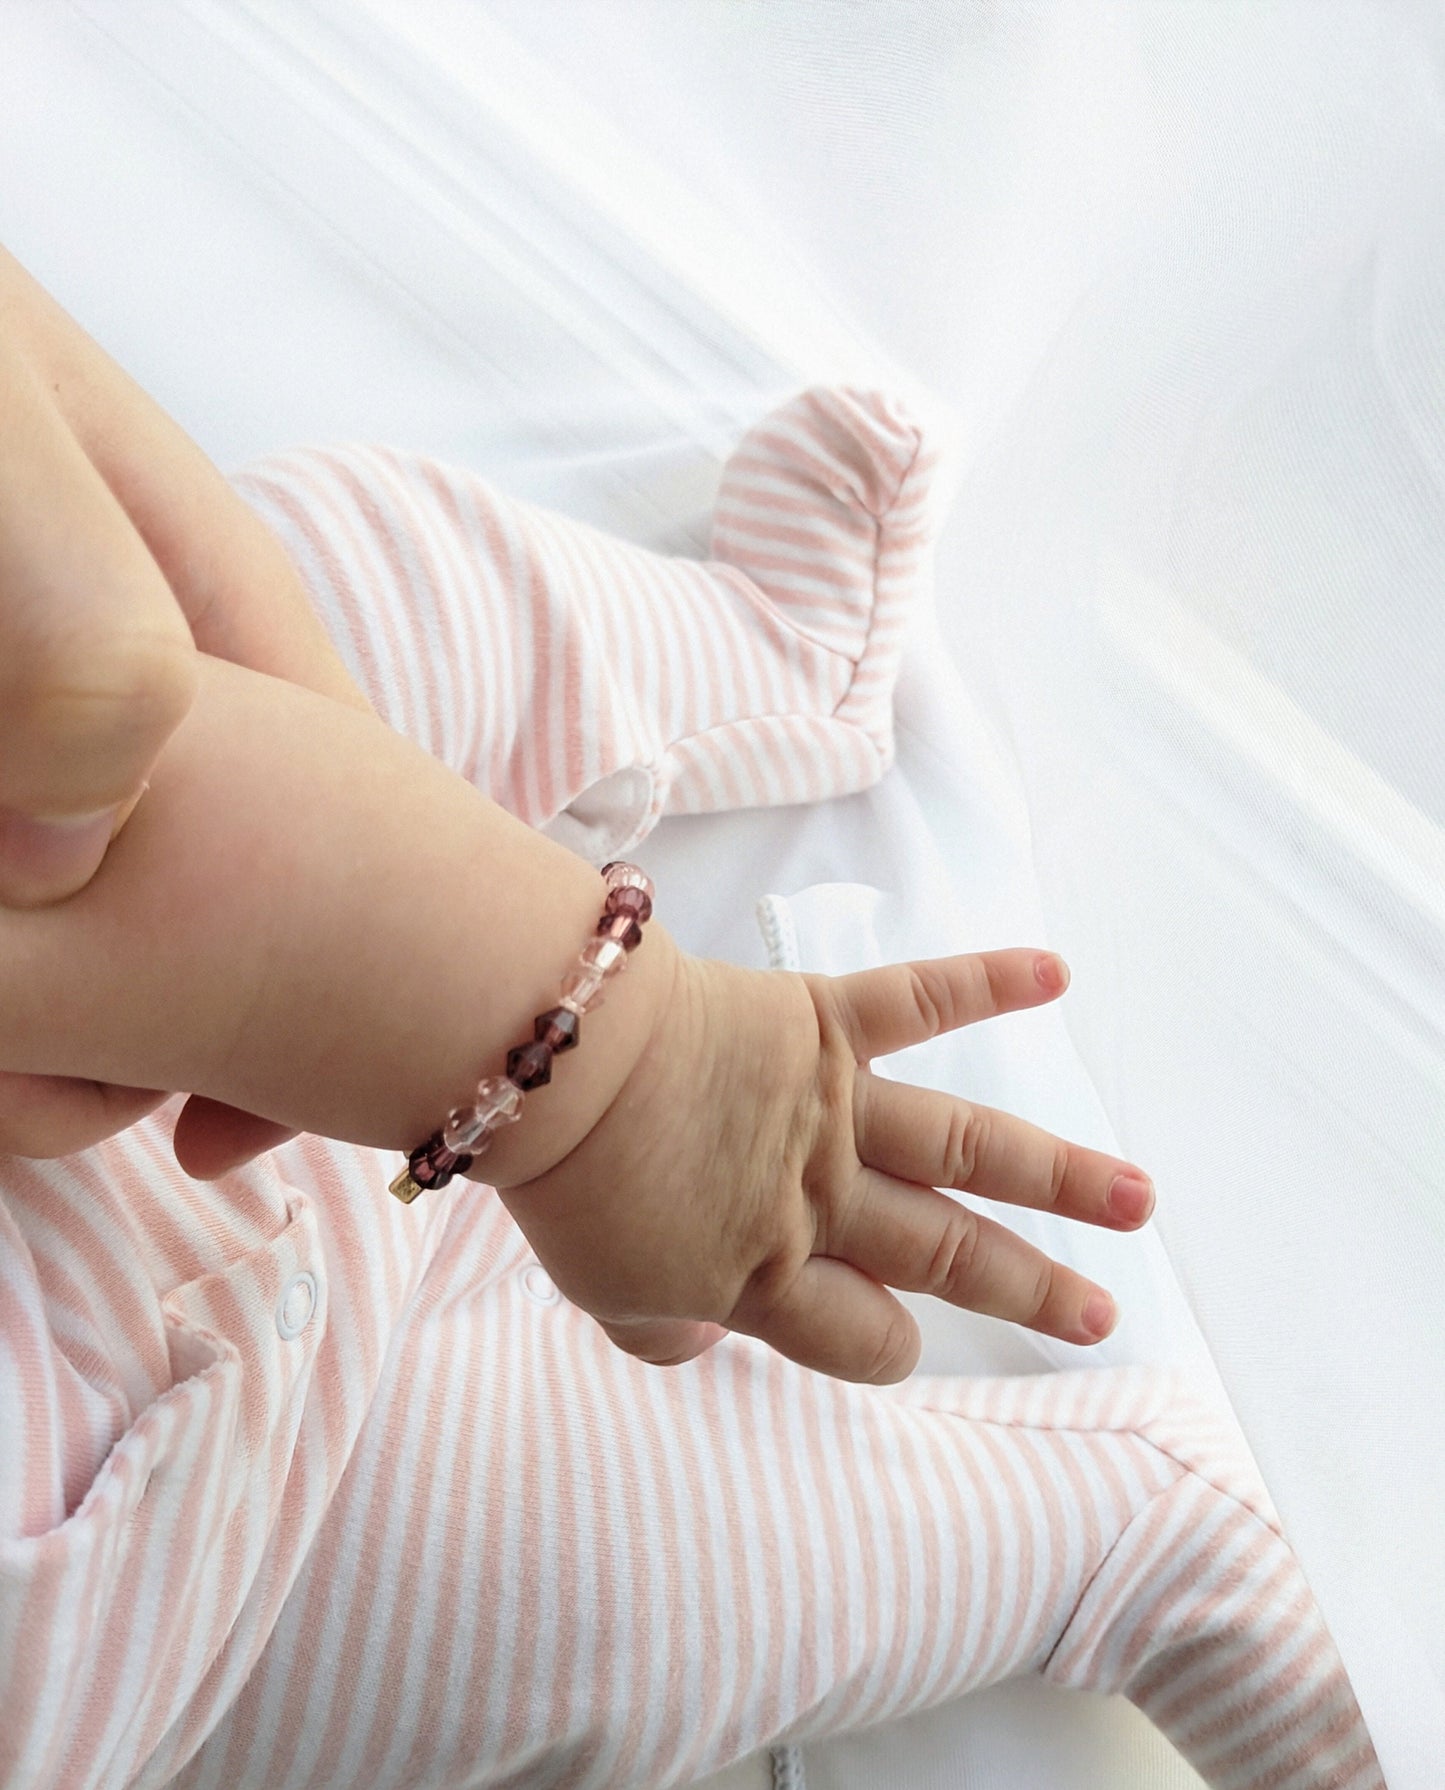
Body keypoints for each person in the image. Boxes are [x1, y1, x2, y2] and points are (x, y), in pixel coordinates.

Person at [0, 246, 1381, 1789]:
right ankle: (1145, 1537)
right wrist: (611, 1067)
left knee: (342, 568)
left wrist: (607, 1053)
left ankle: (768, 657)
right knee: (583, 1597)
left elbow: (148, 779)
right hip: (214, 1563)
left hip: (180, 877)